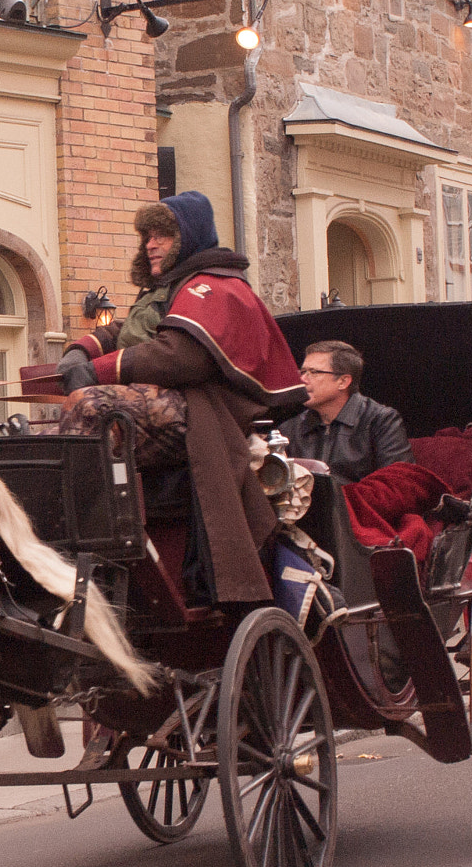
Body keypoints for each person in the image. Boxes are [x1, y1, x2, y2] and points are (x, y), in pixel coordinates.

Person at [51, 191, 306, 606]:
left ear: (188, 237)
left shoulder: (215, 286)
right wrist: (85, 347)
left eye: (162, 236)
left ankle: (85, 544)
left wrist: (95, 373)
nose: (150, 244)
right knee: (36, 431)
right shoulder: (172, 285)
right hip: (166, 406)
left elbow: (181, 357)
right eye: (147, 235)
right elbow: (132, 330)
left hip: (203, 415)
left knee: (89, 407)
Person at [277, 340, 412, 483]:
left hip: (360, 504)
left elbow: (400, 483)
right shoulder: (289, 429)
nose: (303, 379)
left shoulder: (380, 420)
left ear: (343, 381)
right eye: (303, 372)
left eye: (314, 372)